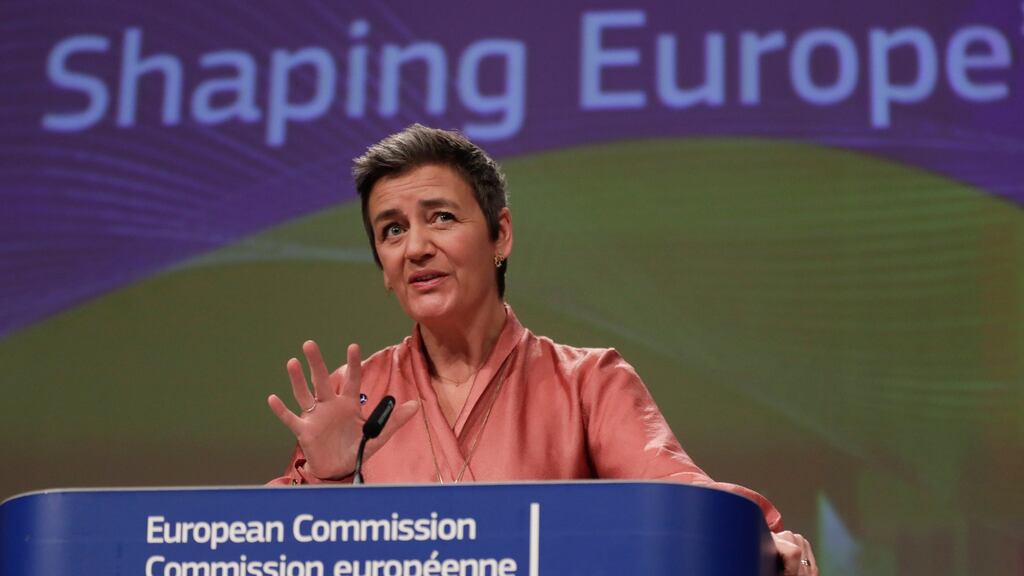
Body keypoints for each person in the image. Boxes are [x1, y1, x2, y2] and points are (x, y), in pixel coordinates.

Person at [266, 124, 818, 575]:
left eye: (441, 217)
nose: (415, 247)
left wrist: (759, 536)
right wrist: (326, 482)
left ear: (500, 234)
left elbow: (675, 495)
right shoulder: (354, 396)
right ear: (383, 269)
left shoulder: (588, 380)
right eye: (391, 230)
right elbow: (261, 549)